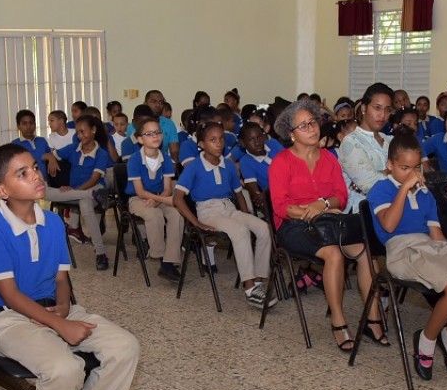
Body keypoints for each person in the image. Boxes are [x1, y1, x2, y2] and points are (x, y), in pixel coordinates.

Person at [0, 144, 139, 390]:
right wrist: (60, 325)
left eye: (34, 168)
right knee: (65, 369)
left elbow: (62, 278)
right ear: (2, 190)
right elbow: (10, 295)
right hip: (9, 318)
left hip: (55, 308)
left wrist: (64, 308)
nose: (35, 175)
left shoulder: (51, 222)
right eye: (22, 173)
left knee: (125, 347)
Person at [369, 134, 447, 377]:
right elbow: (389, 225)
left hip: (430, 246)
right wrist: (404, 189)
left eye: (416, 167)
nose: (412, 173)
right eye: (405, 168)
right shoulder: (381, 189)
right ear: (390, 165)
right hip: (402, 251)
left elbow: (436, 234)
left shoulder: (425, 192)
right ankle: (426, 341)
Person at [270, 99, 382, 350]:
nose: (311, 128)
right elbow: (280, 207)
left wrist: (321, 205)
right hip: (293, 226)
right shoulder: (281, 162)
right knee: (333, 254)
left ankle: (372, 318)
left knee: (367, 252)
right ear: (291, 134)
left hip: (328, 222)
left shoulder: (330, 159)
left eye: (313, 122)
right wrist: (310, 213)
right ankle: (338, 321)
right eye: (303, 125)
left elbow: (340, 196)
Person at [174, 122, 274, 306]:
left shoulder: (228, 165)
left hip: (229, 208)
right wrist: (196, 223)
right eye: (213, 140)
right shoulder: (194, 166)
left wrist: (247, 216)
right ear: (202, 144)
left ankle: (259, 280)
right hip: (208, 211)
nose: (219, 143)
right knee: (240, 231)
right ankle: (250, 288)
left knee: (263, 228)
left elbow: (238, 194)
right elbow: (177, 198)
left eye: (221, 139)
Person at [46, 115, 111, 270]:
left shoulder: (101, 154)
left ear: (93, 130)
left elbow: (94, 179)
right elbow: (48, 155)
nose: (80, 135)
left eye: (83, 131)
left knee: (85, 205)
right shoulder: (73, 148)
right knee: (45, 193)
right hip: (81, 192)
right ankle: (90, 196)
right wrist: (52, 159)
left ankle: (100, 253)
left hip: (95, 188)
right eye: (77, 132)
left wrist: (74, 191)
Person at [125, 116, 182, 283]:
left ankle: (169, 261)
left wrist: (157, 201)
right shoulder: (134, 160)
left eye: (158, 132)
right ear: (140, 139)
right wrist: (156, 201)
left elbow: (167, 189)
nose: (155, 136)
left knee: (177, 215)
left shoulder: (166, 159)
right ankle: (161, 256)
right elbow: (140, 191)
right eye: (149, 134)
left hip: (160, 196)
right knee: (154, 214)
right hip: (138, 199)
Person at [337, 83, 393, 208]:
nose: (382, 115)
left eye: (387, 109)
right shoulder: (350, 142)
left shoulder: (390, 140)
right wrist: (400, 172)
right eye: (377, 108)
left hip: (394, 207)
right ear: (363, 108)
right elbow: (370, 185)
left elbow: (415, 170)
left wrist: (385, 173)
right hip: (362, 212)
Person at [144, 90, 182, 161]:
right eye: (154, 101)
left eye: (161, 102)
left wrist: (173, 163)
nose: (158, 105)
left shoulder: (169, 124)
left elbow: (174, 151)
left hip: (164, 163)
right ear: (145, 104)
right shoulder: (135, 125)